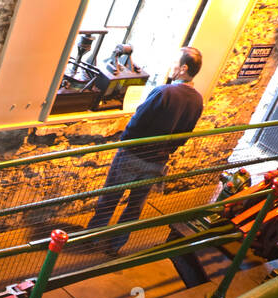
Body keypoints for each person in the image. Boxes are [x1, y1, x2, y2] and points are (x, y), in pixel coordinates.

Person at [87, 47, 204, 253]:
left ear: (184, 68)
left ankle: (92, 240)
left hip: (132, 155)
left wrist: (125, 144)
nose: (171, 66)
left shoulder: (163, 92)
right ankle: (116, 244)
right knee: (135, 206)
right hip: (157, 161)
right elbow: (185, 134)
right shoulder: (197, 100)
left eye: (175, 62)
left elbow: (137, 123)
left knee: (110, 198)